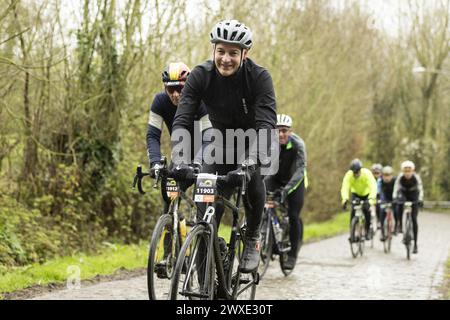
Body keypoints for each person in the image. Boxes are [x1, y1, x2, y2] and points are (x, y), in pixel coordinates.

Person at [170, 19, 277, 273]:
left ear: (244, 54)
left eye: (233, 53)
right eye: (221, 51)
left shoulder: (259, 78)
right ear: (213, 50)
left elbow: (266, 127)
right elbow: (183, 119)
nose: (225, 59)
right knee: (206, 206)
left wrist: (250, 162)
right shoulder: (200, 75)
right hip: (219, 145)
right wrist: (179, 157)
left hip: (253, 144)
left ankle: (252, 237)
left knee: (253, 181)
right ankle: (208, 255)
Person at [146, 62, 211, 213]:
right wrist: (155, 163)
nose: (175, 94)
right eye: (171, 89)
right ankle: (174, 223)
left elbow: (209, 138)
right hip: (181, 155)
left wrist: (198, 163)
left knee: (202, 205)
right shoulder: (160, 102)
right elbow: (153, 135)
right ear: (165, 88)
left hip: (206, 153)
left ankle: (204, 231)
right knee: (168, 200)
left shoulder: (201, 101)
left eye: (180, 89)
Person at [264, 114, 307, 270]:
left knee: (293, 216)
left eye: (284, 130)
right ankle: (270, 239)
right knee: (262, 199)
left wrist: (286, 190)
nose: (281, 134)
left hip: (295, 182)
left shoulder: (298, 145)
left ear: (290, 131)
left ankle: (293, 254)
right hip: (276, 177)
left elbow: (300, 171)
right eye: (277, 131)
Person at [341, 159, 378, 240]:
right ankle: (352, 234)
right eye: (354, 172)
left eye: (357, 172)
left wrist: (370, 200)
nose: (356, 174)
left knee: (366, 211)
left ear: (360, 170)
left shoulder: (366, 173)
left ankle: (367, 231)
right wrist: (344, 200)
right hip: (356, 194)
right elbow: (345, 187)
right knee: (353, 212)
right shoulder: (349, 175)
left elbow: (373, 187)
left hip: (367, 194)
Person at [393, 160, 424, 254]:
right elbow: (396, 187)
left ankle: (415, 245)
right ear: (403, 171)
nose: (407, 172)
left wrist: (420, 199)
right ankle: (400, 226)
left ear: (412, 170)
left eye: (409, 170)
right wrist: (394, 198)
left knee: (414, 219)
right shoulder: (400, 177)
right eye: (405, 170)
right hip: (404, 195)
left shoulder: (416, 177)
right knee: (398, 207)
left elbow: (420, 188)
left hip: (414, 195)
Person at [377, 165, 397, 240]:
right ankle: (382, 232)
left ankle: (396, 226)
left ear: (392, 175)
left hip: (393, 198)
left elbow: (398, 190)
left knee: (396, 210)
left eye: (388, 175)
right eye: (385, 175)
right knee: (382, 212)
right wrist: (379, 198)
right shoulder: (380, 181)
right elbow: (379, 191)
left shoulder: (395, 180)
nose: (387, 177)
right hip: (384, 198)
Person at [371, 163, 383, 229]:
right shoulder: (370, 179)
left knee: (378, 207)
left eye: (378, 173)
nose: (376, 174)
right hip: (372, 195)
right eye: (375, 173)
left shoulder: (382, 179)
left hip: (380, 195)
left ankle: (379, 221)